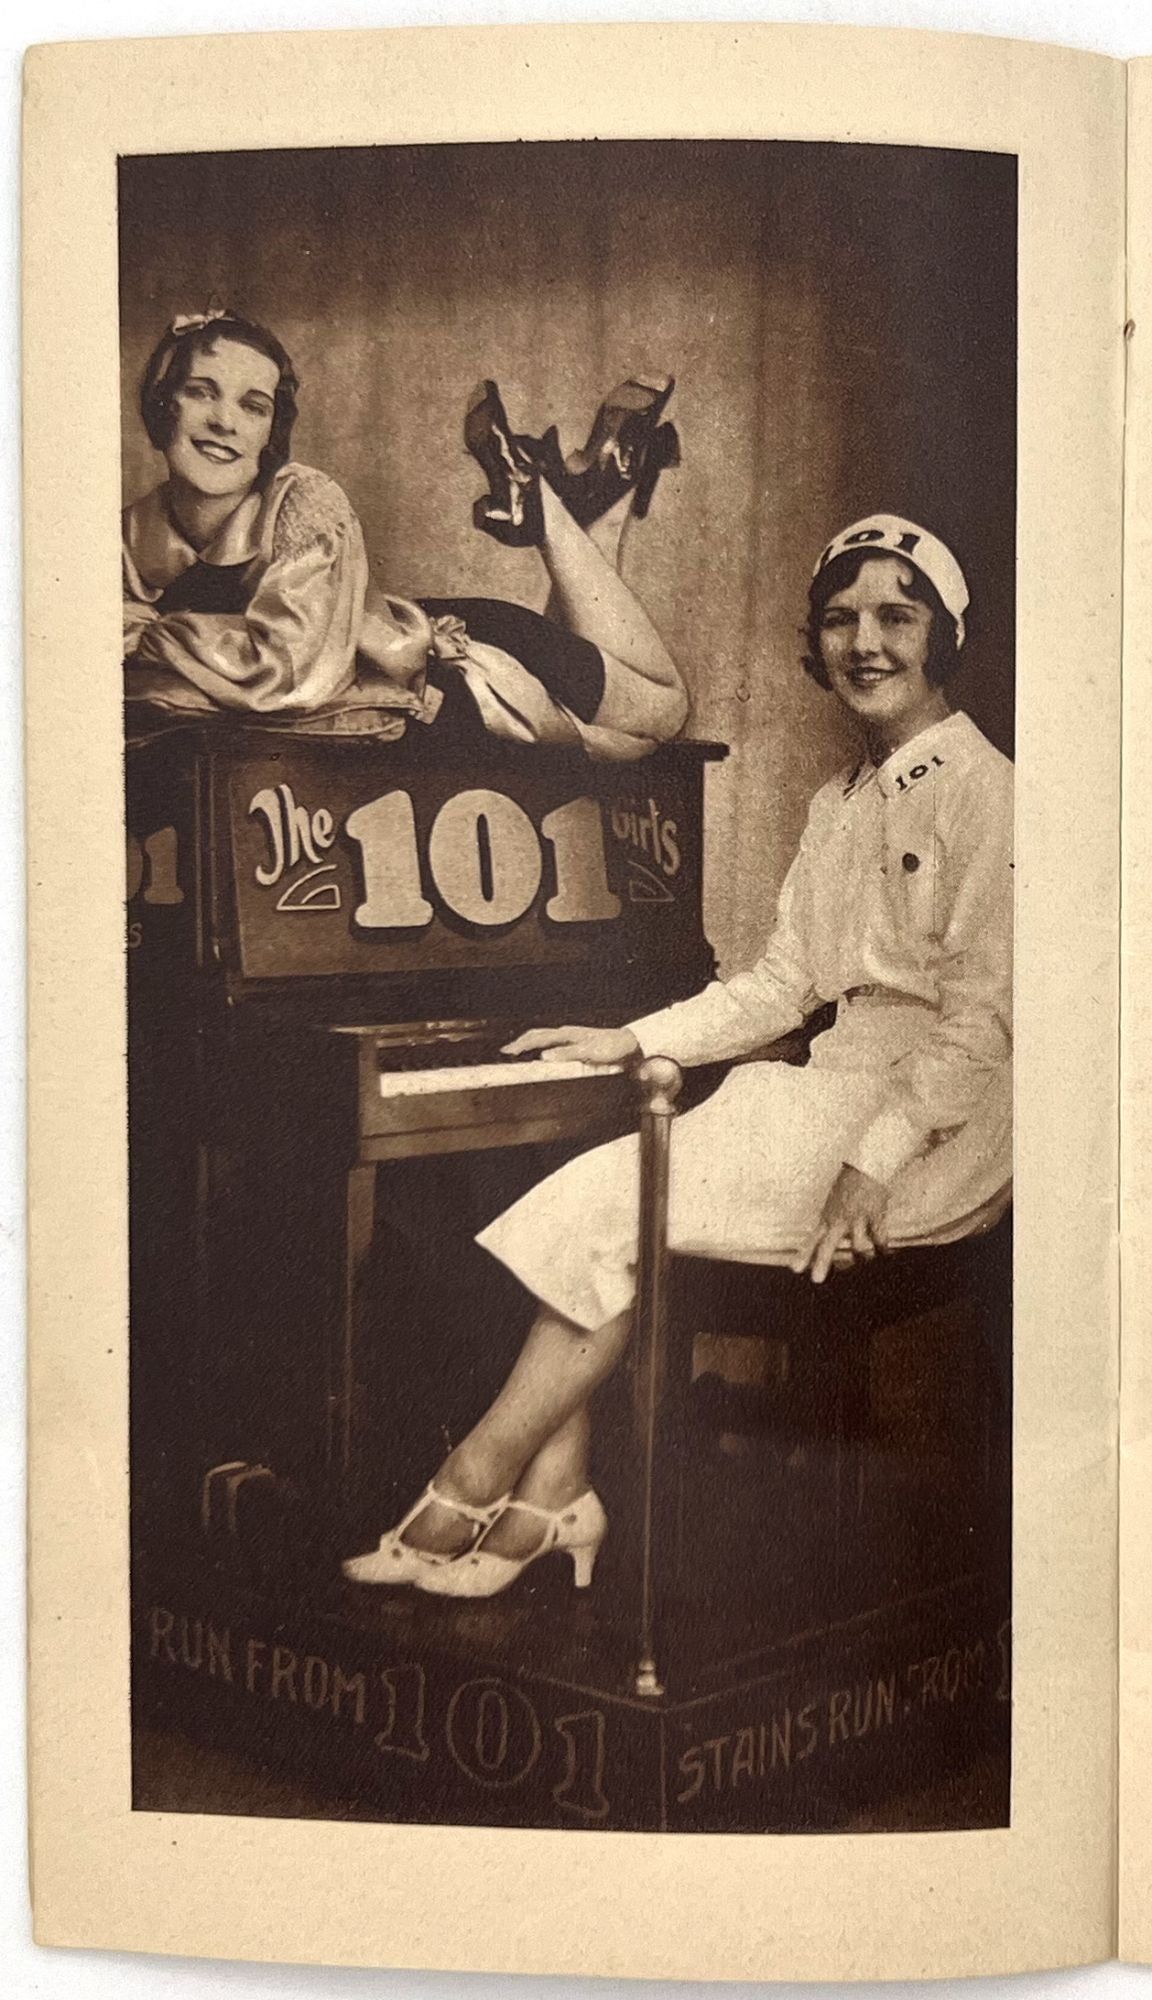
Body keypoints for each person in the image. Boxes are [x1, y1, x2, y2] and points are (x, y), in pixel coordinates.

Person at [342, 514, 1014, 1597]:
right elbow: (784, 984)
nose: (865, 642)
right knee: (609, 1200)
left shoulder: (989, 791)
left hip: (939, 1132)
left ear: (946, 635)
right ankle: (552, 1496)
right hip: (834, 1094)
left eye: (898, 616)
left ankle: (475, 1481)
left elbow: (982, 1022)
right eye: (840, 618)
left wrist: (874, 1160)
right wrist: (631, 1037)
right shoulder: (839, 802)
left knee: (614, 1203)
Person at [122, 308, 688, 758]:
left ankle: (537, 493)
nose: (223, 422)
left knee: (665, 709)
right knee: (623, 699)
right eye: (202, 391)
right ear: (164, 403)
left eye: (253, 406)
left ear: (271, 431)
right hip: (416, 673)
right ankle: (596, 493)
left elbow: (288, 676)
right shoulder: (128, 532)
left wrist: (151, 640)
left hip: (468, 658)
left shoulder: (306, 501)